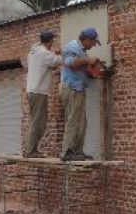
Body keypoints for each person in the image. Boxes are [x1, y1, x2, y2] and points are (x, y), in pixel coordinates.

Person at [60, 27, 101, 161]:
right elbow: (69, 62)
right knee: (72, 120)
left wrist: (91, 71)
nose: (94, 45)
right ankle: (67, 151)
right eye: (93, 42)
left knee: (82, 122)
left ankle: (78, 151)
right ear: (87, 39)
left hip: (79, 89)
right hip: (71, 87)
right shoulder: (73, 46)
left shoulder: (82, 52)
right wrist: (87, 61)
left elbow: (81, 68)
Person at [24, 30, 61, 158]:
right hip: (39, 91)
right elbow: (57, 62)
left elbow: (47, 64)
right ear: (50, 41)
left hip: (32, 90)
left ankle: (31, 149)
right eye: (53, 41)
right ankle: (29, 150)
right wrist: (65, 54)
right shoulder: (45, 54)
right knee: (38, 121)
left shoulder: (33, 51)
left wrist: (53, 54)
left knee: (37, 120)